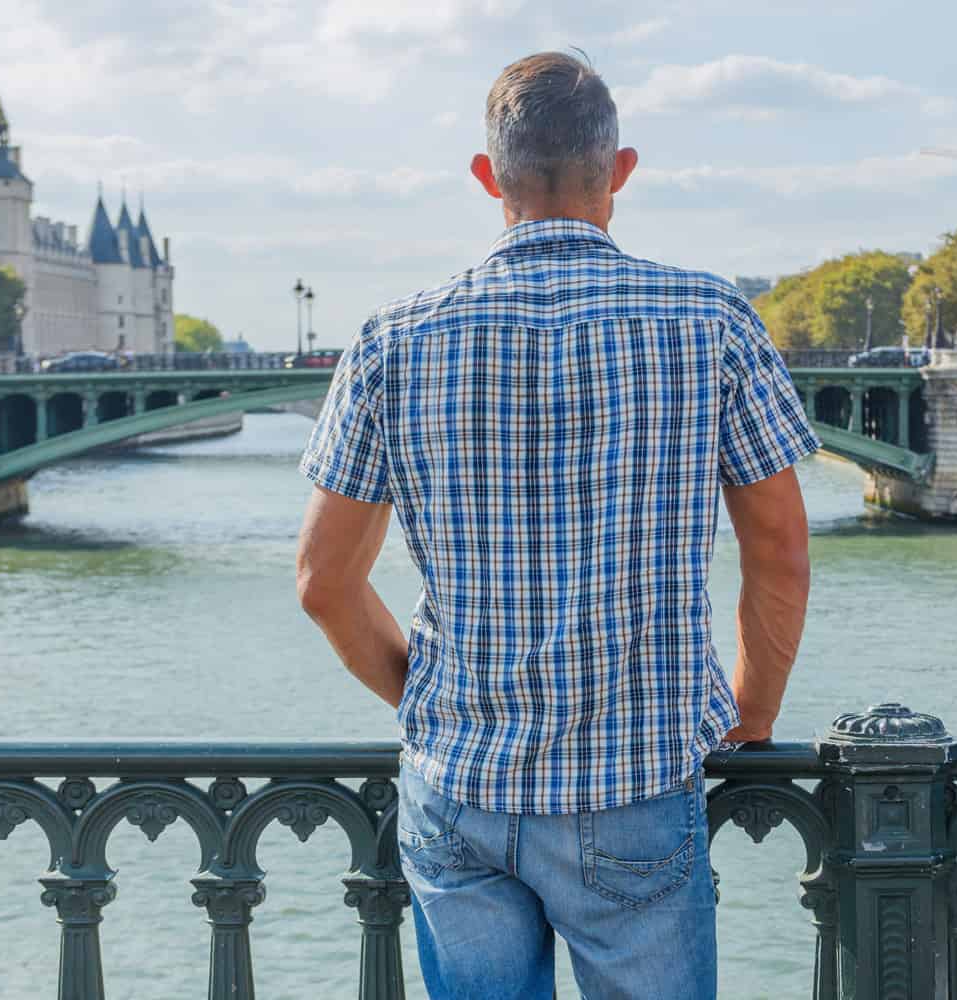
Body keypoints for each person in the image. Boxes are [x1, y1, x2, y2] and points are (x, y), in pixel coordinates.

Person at [295, 51, 817, 999]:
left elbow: (324, 584)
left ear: (489, 178)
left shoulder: (392, 339)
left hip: (460, 782)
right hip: (638, 782)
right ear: (618, 170)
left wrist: (428, 701)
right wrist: (754, 711)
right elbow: (777, 551)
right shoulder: (711, 319)